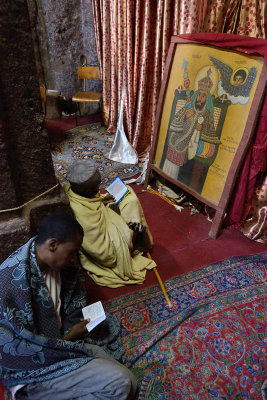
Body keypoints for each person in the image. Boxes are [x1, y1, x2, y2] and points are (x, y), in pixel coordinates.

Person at [0, 212, 137, 400]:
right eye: (71, 252)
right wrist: (68, 337)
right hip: (34, 371)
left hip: (60, 345)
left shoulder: (52, 262)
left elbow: (64, 304)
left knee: (130, 381)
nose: (74, 259)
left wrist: (68, 334)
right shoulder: (10, 282)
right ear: (53, 245)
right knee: (121, 383)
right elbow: (16, 351)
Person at [64, 160, 156, 288]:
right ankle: (133, 239)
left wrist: (102, 200)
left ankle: (133, 233)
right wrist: (120, 227)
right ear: (87, 189)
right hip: (110, 249)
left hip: (106, 215)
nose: (99, 188)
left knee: (129, 197)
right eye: (96, 187)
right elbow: (105, 253)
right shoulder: (79, 212)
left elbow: (93, 201)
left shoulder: (74, 190)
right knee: (130, 210)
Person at [161, 69, 221, 192]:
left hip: (192, 145)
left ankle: (176, 188)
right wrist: (184, 117)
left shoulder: (208, 115)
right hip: (179, 138)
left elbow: (210, 135)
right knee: (174, 143)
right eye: (199, 94)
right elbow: (175, 122)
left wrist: (200, 129)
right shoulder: (188, 108)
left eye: (203, 96)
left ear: (207, 98)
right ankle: (165, 181)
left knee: (183, 152)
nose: (200, 98)